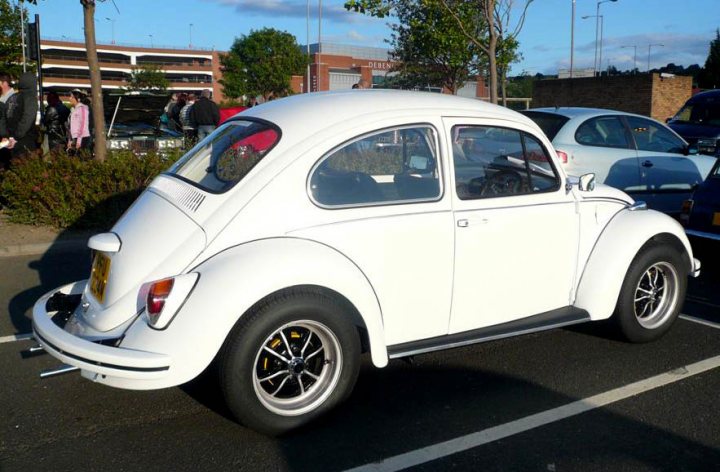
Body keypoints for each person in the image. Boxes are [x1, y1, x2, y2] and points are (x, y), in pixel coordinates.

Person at [5, 71, 39, 159]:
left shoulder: (12, 97)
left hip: (9, 141)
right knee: (27, 170)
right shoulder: (30, 98)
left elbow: (5, 117)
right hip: (24, 141)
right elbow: (27, 118)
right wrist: (17, 136)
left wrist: (9, 137)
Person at [67, 89, 91, 155]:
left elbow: (83, 125)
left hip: (82, 138)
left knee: (80, 159)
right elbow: (71, 126)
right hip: (74, 137)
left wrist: (79, 141)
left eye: (72, 97)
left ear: (78, 99)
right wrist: (70, 140)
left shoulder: (83, 109)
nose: (70, 99)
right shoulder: (73, 109)